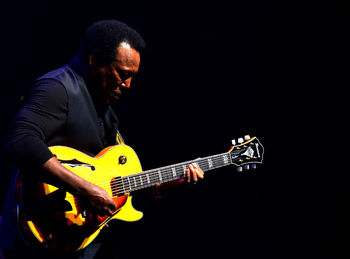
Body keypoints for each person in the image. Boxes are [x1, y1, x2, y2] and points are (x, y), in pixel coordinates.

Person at [0, 20, 204, 259]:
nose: (128, 85)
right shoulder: (57, 88)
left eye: (132, 77)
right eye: (123, 74)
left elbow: (112, 183)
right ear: (94, 60)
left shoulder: (104, 108)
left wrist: (164, 185)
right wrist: (84, 189)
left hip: (78, 242)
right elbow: (19, 140)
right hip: (35, 240)